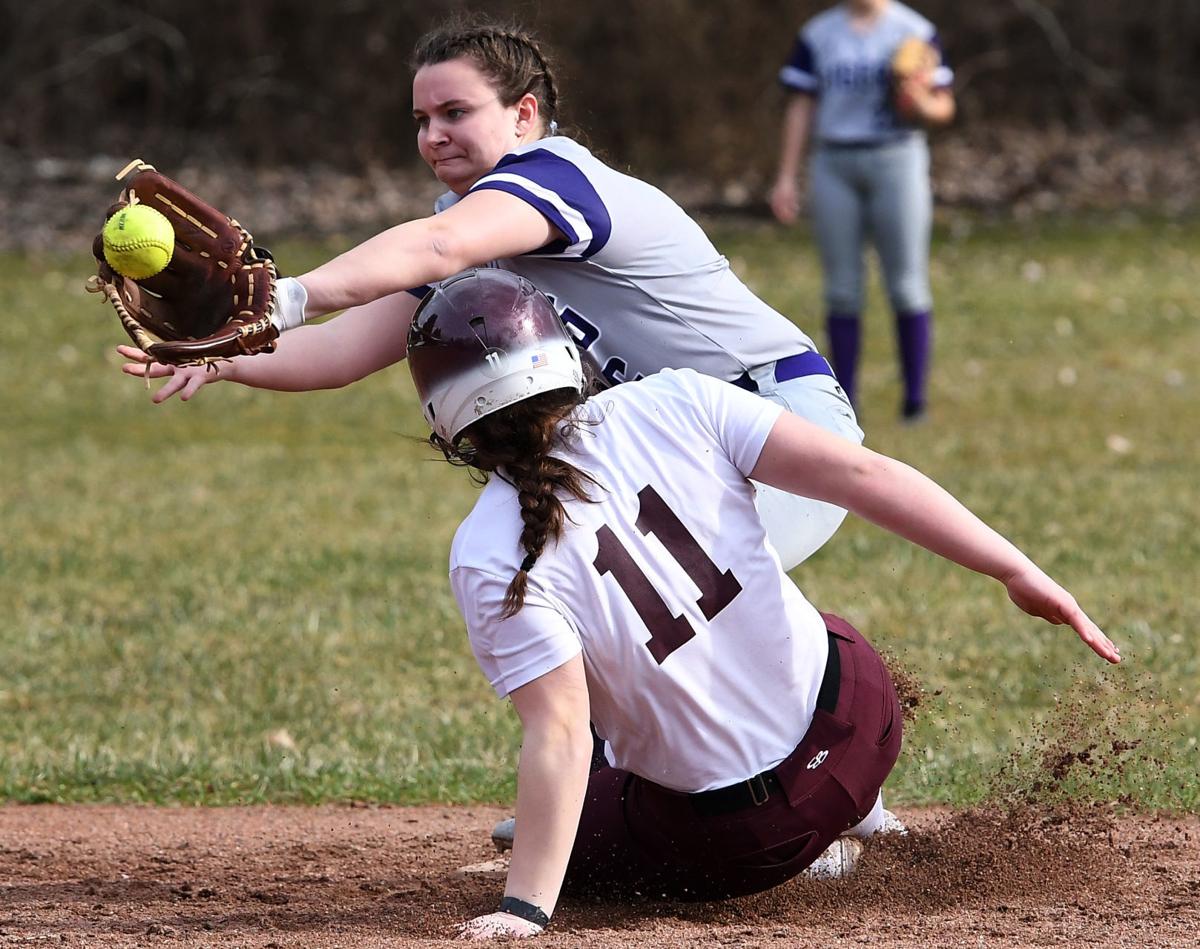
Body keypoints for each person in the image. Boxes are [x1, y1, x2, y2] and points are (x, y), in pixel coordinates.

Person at [401, 269, 1119, 940]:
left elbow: (561, 734)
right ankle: (866, 816)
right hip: (865, 723)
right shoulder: (675, 398)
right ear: (562, 352)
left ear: (447, 420)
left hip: (749, 838)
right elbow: (863, 474)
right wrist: (1013, 568)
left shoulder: (486, 550)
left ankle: (818, 846)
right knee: (797, 628)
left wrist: (523, 910)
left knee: (581, 815)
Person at [119, 18, 861, 572]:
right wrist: (222, 356)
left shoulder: (559, 179)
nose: (433, 135)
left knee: (671, 613)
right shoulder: (471, 227)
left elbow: (437, 247)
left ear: (524, 114)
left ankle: (835, 731)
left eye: (456, 112)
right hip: (672, 448)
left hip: (778, 416)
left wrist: (289, 296)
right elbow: (346, 349)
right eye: (422, 120)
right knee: (608, 625)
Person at [769, 0, 955, 423]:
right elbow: (801, 104)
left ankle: (914, 402)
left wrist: (919, 101)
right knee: (842, 289)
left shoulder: (913, 30)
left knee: (907, 284)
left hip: (896, 157)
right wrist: (786, 176)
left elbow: (944, 104)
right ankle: (845, 401)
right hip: (834, 160)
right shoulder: (819, 33)